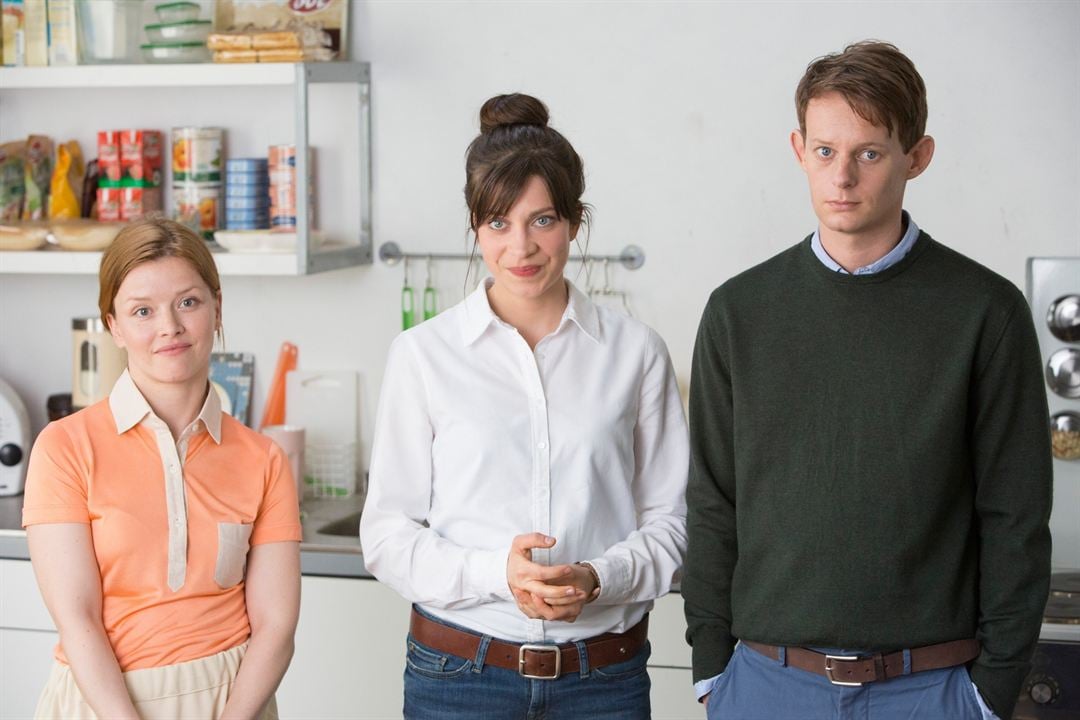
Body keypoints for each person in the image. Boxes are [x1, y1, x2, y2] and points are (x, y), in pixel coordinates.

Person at [683, 41, 1052, 720]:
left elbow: (1016, 519)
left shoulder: (985, 312)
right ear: (798, 150)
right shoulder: (738, 312)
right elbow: (712, 503)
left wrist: (990, 692)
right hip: (766, 686)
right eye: (825, 151)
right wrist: (713, 670)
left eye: (870, 152)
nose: (843, 176)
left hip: (932, 690)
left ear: (918, 156)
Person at [360, 93, 688, 719]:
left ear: (575, 221)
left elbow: (675, 524)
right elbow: (385, 535)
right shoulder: (423, 355)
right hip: (459, 676)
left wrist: (598, 577)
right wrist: (496, 574)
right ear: (475, 228)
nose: (521, 247)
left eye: (542, 220)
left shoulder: (637, 353)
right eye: (498, 224)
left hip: (604, 679)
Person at [23, 217, 302, 719]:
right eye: (142, 311)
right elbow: (78, 619)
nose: (169, 327)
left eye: (188, 303)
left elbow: (277, 626)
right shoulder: (64, 448)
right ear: (114, 325)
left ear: (217, 307)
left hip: (234, 701)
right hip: (103, 703)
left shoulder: (264, 459)